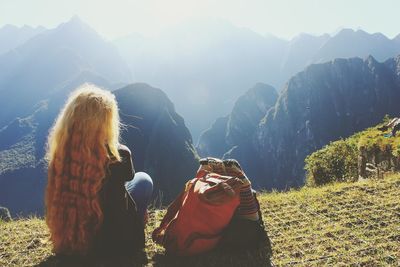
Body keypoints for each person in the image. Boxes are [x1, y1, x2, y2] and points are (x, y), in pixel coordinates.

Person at [45, 84, 153, 257]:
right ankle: (140, 220)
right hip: (119, 244)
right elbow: (129, 177)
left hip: (75, 245)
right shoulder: (119, 155)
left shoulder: (61, 156)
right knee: (143, 180)